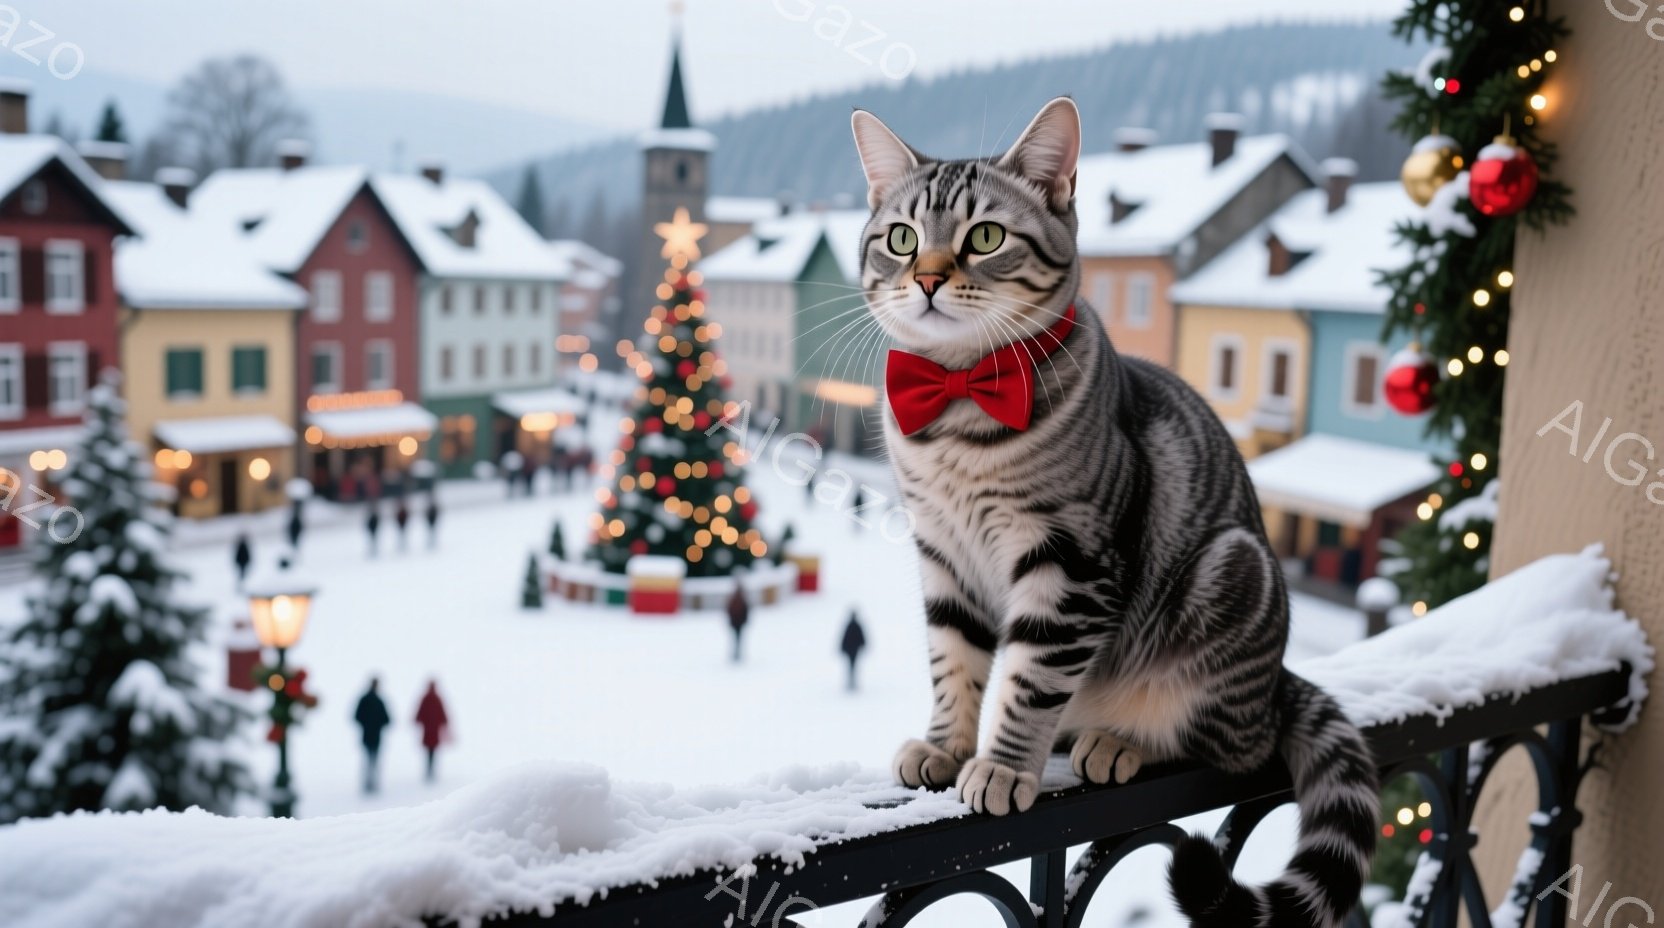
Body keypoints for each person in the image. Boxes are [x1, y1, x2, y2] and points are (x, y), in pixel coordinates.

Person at [353, 678, 391, 794]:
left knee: (369, 759)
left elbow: (357, 716)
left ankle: (369, 783)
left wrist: (366, 724)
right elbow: (387, 719)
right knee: (373, 760)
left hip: (368, 735)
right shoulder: (378, 701)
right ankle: (371, 783)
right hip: (374, 736)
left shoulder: (365, 700)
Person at [415, 680, 449, 782]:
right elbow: (443, 714)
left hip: (428, 731)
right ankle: (431, 770)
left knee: (429, 752)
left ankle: (429, 770)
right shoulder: (437, 699)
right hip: (434, 732)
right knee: (432, 751)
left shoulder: (425, 698)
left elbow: (419, 714)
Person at [841, 609, 868, 692]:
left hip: (852, 649)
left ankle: (852, 681)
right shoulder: (854, 625)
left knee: (852, 665)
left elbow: (860, 637)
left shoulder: (852, 626)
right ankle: (851, 681)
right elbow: (846, 638)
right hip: (852, 649)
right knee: (852, 665)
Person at [726, 583, 750, 663]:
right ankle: (737, 652)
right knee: (738, 638)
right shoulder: (741, 599)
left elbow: (729, 610)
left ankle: (736, 652)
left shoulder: (734, 598)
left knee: (736, 638)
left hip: (736, 622)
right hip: (738, 622)